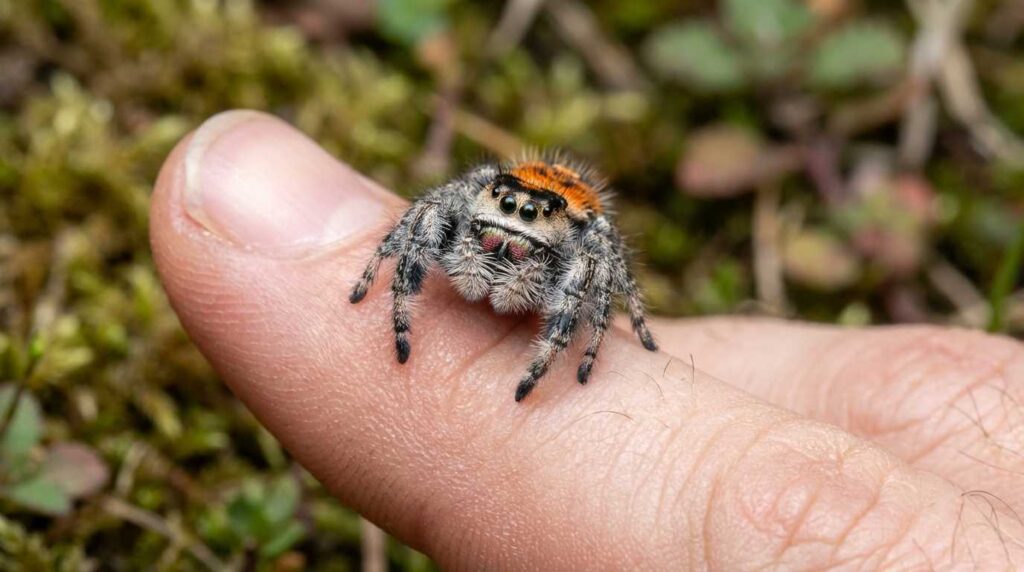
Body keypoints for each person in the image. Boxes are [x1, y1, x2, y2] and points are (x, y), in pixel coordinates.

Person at [151, 110, 1024, 569]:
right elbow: (426, 212)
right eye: (499, 225)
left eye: (528, 231)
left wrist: (582, 345)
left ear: (562, 231)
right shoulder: (468, 214)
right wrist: (389, 298)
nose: (503, 247)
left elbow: (604, 274)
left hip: (569, 279)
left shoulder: (579, 245)